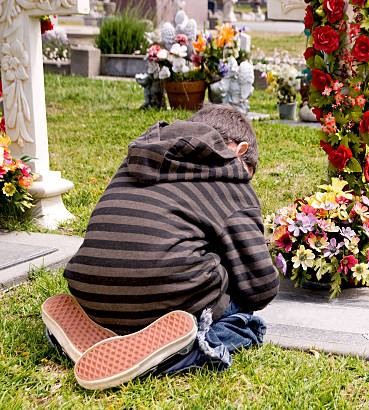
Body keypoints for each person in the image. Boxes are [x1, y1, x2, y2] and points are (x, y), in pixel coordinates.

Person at [41, 104, 280, 390]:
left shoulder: (140, 156)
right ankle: (176, 353)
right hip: (168, 296)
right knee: (248, 323)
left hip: (90, 291)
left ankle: (103, 334)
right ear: (240, 151)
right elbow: (260, 288)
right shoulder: (231, 174)